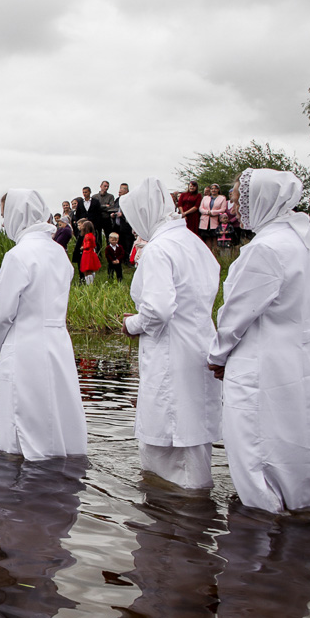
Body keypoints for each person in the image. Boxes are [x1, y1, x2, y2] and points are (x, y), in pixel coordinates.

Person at [207, 168, 310, 514]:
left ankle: (262, 519)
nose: (235, 208)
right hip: (300, 358)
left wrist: (218, 355)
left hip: (261, 360)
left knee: (253, 444)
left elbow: (239, 313)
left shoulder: (266, 248)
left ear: (263, 200)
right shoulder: (304, 240)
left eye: (241, 200)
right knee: (293, 438)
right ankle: (300, 510)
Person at [118, 177, 221, 489]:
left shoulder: (159, 249)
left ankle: (178, 517)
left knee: (170, 434)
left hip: (171, 352)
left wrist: (132, 324)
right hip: (199, 344)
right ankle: (190, 511)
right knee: (192, 433)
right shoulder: (193, 243)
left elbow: (159, 309)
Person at [0, 189, 88, 460]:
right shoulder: (58, 252)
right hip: (58, 342)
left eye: (4, 215)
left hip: (24, 343)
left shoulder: (18, 255)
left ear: (17, 215)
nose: (4, 222)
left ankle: (20, 480)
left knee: (20, 416)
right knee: (57, 408)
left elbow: (2, 312)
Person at [78, 219, 101, 283]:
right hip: (91, 253)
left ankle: (89, 283)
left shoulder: (87, 236)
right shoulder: (92, 235)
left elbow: (88, 245)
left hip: (87, 253)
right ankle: (91, 281)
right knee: (90, 269)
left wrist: (82, 247)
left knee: (87, 269)